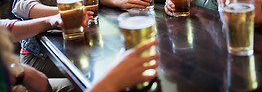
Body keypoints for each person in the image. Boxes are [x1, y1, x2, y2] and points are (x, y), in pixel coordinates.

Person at [0, 23, 159, 92]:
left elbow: (4, 26)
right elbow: (22, 5)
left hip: (18, 78)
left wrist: (19, 72)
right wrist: (110, 83)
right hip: (34, 57)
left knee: (76, 84)